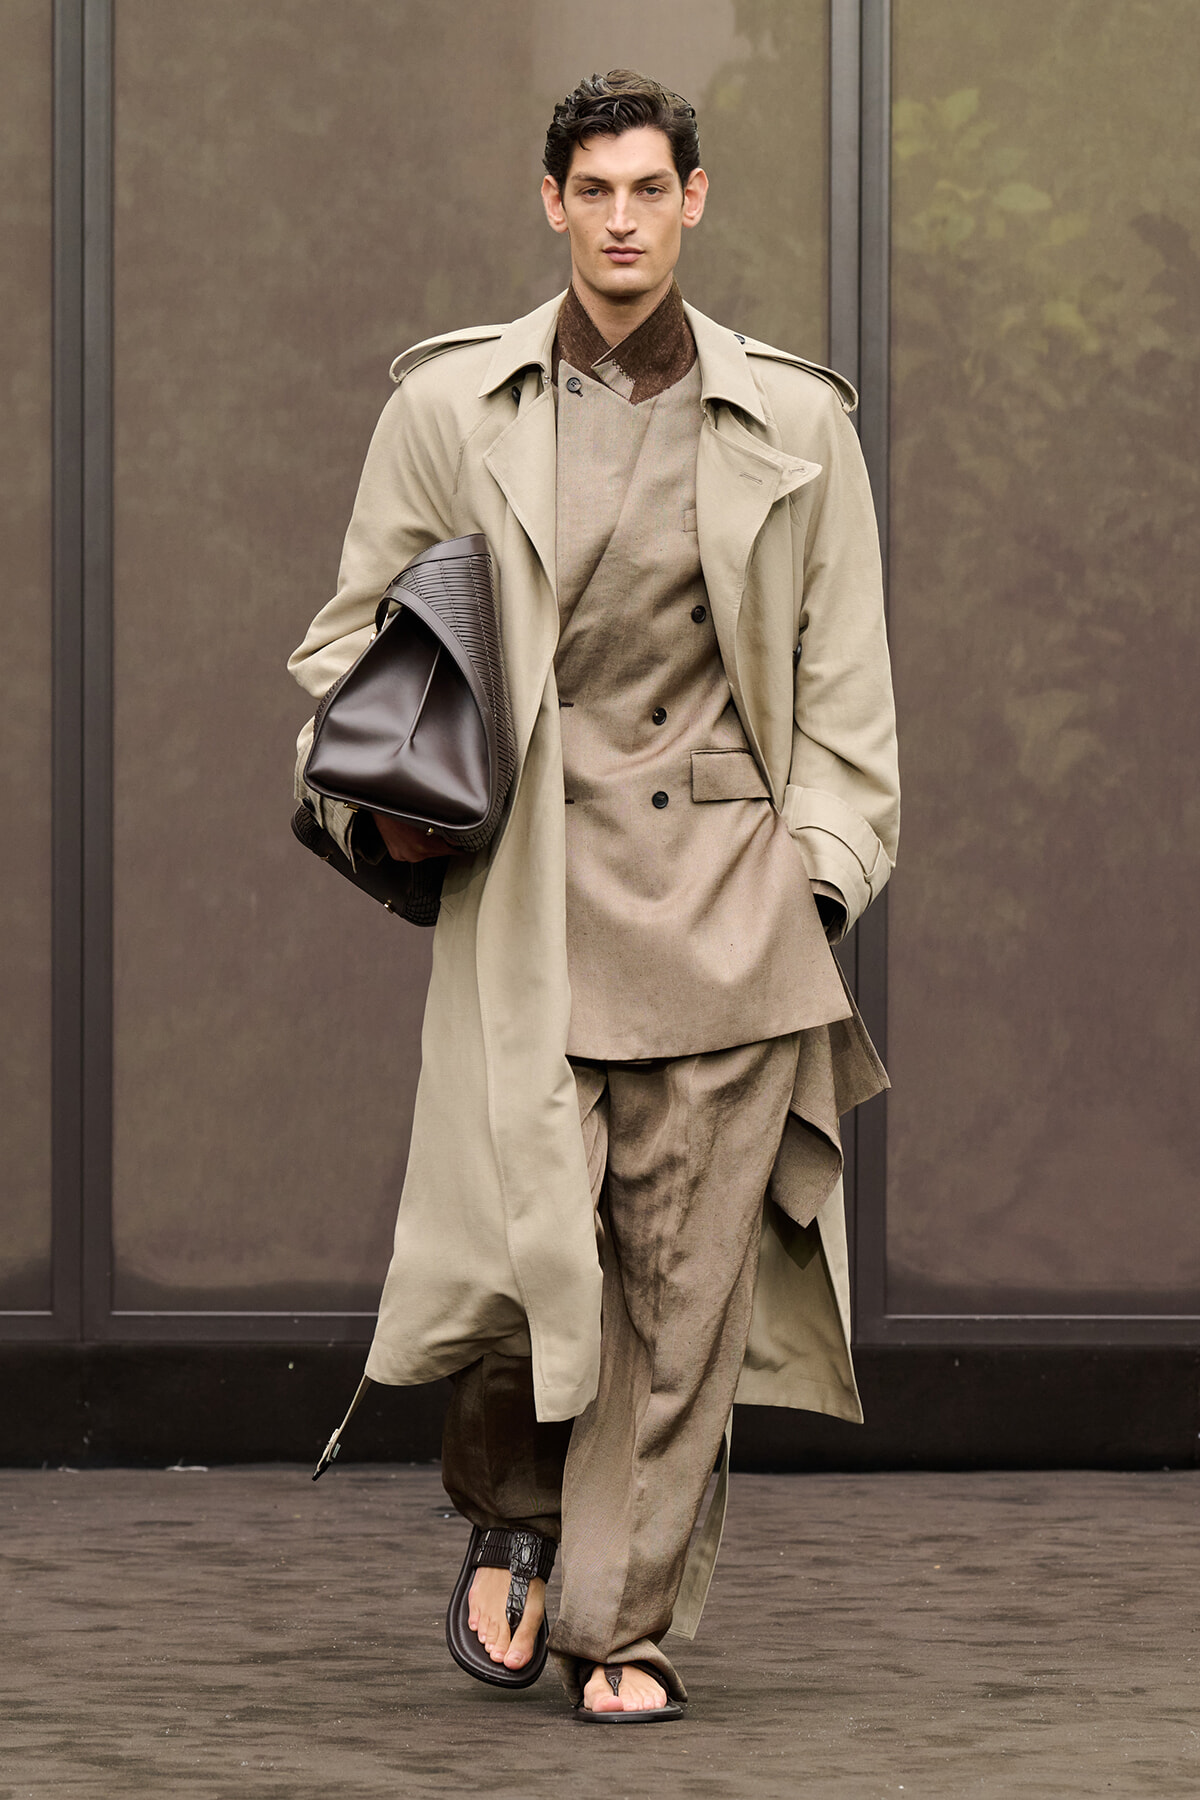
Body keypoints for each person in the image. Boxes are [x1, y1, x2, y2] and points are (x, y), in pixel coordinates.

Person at [288, 69, 899, 1721]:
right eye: (595, 190)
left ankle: (617, 1628)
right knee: (529, 1261)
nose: (623, 218)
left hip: (730, 914)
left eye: (651, 188)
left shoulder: (797, 423)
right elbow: (348, 652)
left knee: (681, 1296)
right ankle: (516, 1511)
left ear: (694, 200)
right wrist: (391, 805)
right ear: (550, 200)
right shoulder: (452, 407)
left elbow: (849, 700)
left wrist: (816, 887)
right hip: (535, 898)